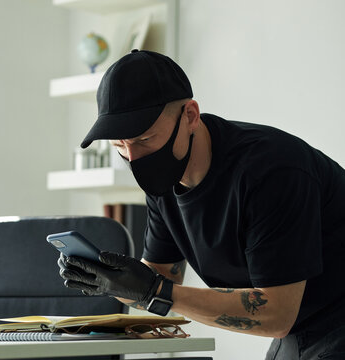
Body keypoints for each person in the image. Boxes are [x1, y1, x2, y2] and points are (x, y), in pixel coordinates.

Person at [57, 49, 345, 359]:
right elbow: (160, 278)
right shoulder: (163, 183)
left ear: (190, 116)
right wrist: (112, 280)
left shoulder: (272, 171)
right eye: (119, 146)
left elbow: (275, 314)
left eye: (144, 139)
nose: (133, 157)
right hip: (299, 327)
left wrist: (155, 291)